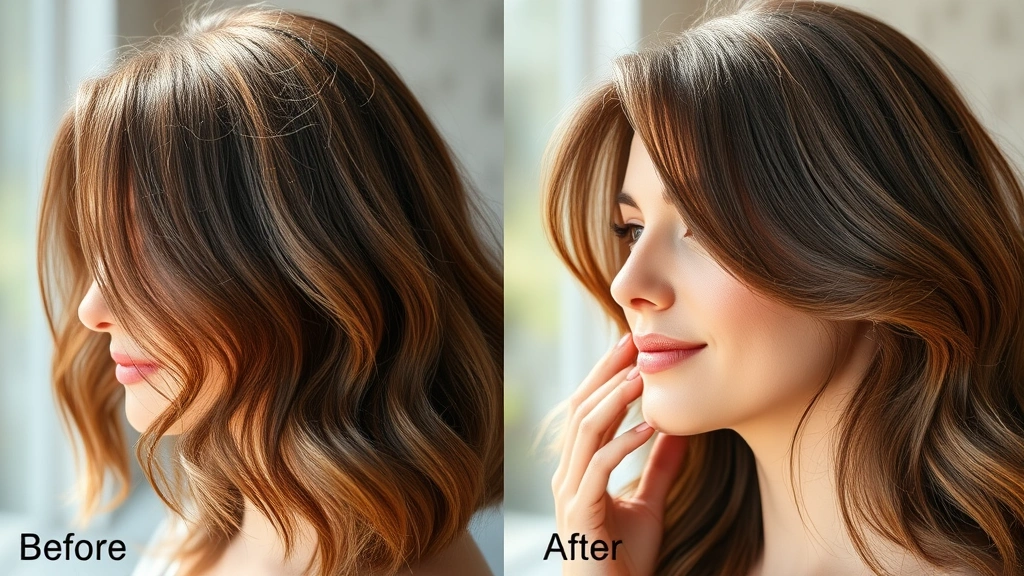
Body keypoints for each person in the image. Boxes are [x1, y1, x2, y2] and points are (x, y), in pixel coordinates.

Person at [543, 1, 1024, 575]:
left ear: (869, 236)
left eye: (703, 224)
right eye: (633, 230)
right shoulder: (629, 551)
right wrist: (585, 558)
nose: (627, 285)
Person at [37, 6, 501, 576]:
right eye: (101, 250)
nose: (92, 310)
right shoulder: (213, 515)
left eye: (152, 247)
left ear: (309, 260)